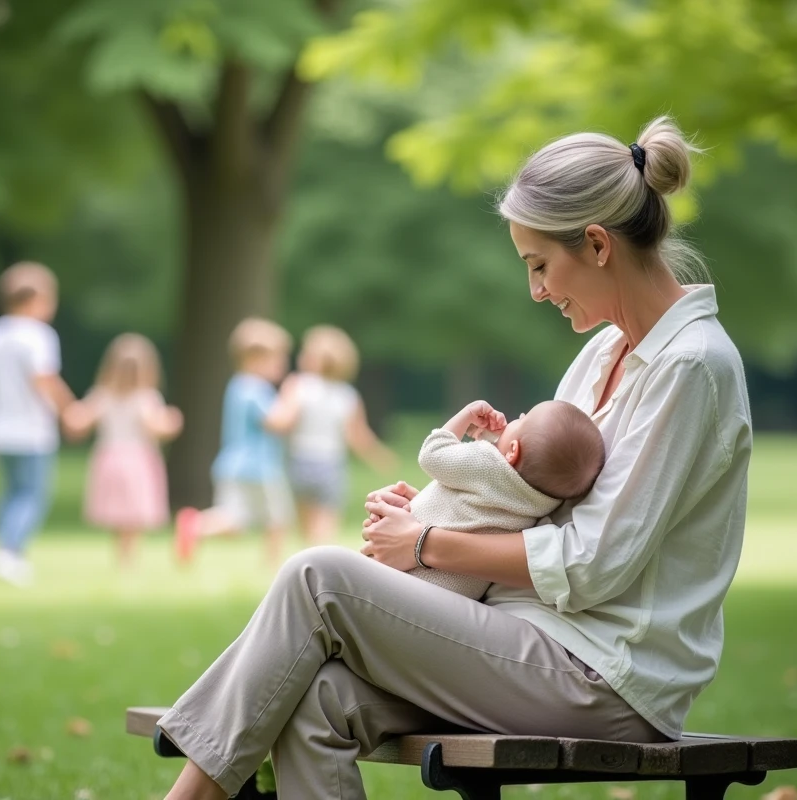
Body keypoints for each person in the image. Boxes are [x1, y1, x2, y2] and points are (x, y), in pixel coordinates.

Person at [157, 116, 753, 800]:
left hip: (604, 676)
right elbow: (538, 502)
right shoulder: (603, 354)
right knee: (320, 700)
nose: (536, 290)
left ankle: (187, 797)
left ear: (595, 244)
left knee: (318, 576)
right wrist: (438, 511)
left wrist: (428, 545)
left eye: (538, 265)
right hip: (524, 640)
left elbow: (591, 563)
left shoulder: (691, 367)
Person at [397, 398, 604, 600]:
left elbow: (432, 453)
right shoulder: (541, 504)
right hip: (452, 596)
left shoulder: (485, 464)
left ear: (513, 450)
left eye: (523, 420)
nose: (519, 416)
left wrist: (467, 416)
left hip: (406, 570)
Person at [0, 261, 74, 587]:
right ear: (36, 298)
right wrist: (68, 410)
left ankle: (6, 549)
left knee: (11, 492)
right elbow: (45, 380)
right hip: (32, 431)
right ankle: (9, 551)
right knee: (32, 495)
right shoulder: (39, 336)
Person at [174, 318, 295, 564]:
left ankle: (196, 526)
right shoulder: (256, 388)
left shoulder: (237, 385)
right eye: (277, 358)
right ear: (254, 359)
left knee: (233, 522)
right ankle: (273, 566)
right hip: (258, 467)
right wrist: (292, 397)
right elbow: (277, 422)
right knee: (278, 518)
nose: (282, 364)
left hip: (233, 464)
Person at [63, 334, 184, 569]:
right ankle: (128, 558)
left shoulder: (102, 395)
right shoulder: (146, 398)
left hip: (109, 457)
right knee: (133, 513)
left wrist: (68, 412)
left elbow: (81, 420)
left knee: (120, 512)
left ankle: (122, 556)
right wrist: (172, 422)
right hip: (137, 459)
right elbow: (154, 426)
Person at [281, 325, 396, 543]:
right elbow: (357, 436)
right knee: (324, 526)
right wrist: (379, 456)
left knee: (305, 527)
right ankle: (321, 554)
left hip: (300, 461)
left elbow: (286, 420)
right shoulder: (347, 395)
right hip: (330, 465)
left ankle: (309, 557)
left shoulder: (299, 386)